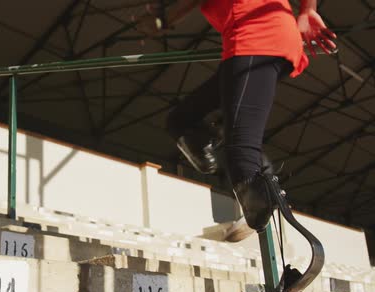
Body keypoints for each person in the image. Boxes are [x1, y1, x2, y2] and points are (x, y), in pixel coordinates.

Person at [135, 0, 337, 241]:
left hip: (257, 38)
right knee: (180, 120)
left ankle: (260, 200)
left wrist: (162, 20)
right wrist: (307, 10)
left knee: (240, 152)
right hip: (255, 40)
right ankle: (251, 173)